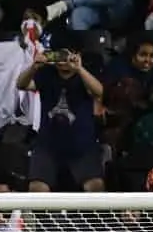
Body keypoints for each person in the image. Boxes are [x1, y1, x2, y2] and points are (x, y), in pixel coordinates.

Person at [17, 46, 105, 192]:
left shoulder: (86, 73)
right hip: (48, 145)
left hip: (82, 146)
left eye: (66, 54)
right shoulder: (46, 74)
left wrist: (79, 69)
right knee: (37, 187)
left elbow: (98, 91)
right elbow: (21, 84)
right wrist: (34, 67)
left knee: (95, 186)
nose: (63, 59)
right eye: (59, 54)